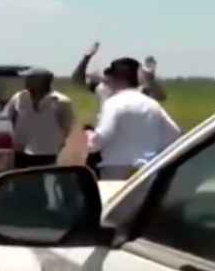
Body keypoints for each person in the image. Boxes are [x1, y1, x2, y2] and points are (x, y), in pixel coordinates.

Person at [71, 42, 167, 175]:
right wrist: (86, 58)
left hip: (120, 143)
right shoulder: (104, 89)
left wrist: (150, 79)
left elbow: (160, 95)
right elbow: (77, 81)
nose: (107, 79)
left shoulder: (139, 92)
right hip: (106, 143)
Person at [87, 58, 181, 180]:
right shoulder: (152, 104)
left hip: (116, 169)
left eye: (109, 79)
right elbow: (174, 133)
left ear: (120, 79)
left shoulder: (113, 103)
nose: (107, 83)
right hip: (147, 169)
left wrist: (89, 138)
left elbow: (102, 137)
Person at [4, 68, 74, 169]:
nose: (26, 81)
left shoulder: (61, 102)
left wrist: (58, 142)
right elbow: (6, 118)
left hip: (47, 153)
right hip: (20, 151)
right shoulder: (19, 98)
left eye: (30, 79)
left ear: (41, 82)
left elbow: (66, 126)